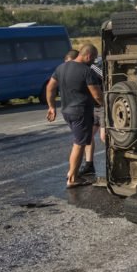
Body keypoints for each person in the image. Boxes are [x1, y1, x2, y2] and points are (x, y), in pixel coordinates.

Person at [46, 44, 103, 187]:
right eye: (94, 58)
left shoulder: (61, 67)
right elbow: (97, 95)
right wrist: (108, 105)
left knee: (80, 141)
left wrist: (52, 106)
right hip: (80, 112)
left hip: (66, 111)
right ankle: (72, 178)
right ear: (88, 56)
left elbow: (50, 87)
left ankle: (73, 174)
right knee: (79, 144)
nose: (94, 61)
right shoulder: (86, 71)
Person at [80, 56, 105, 178]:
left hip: (104, 104)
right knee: (88, 136)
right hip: (92, 107)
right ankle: (89, 165)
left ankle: (118, 163)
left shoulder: (93, 67)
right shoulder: (79, 70)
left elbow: (107, 77)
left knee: (104, 137)